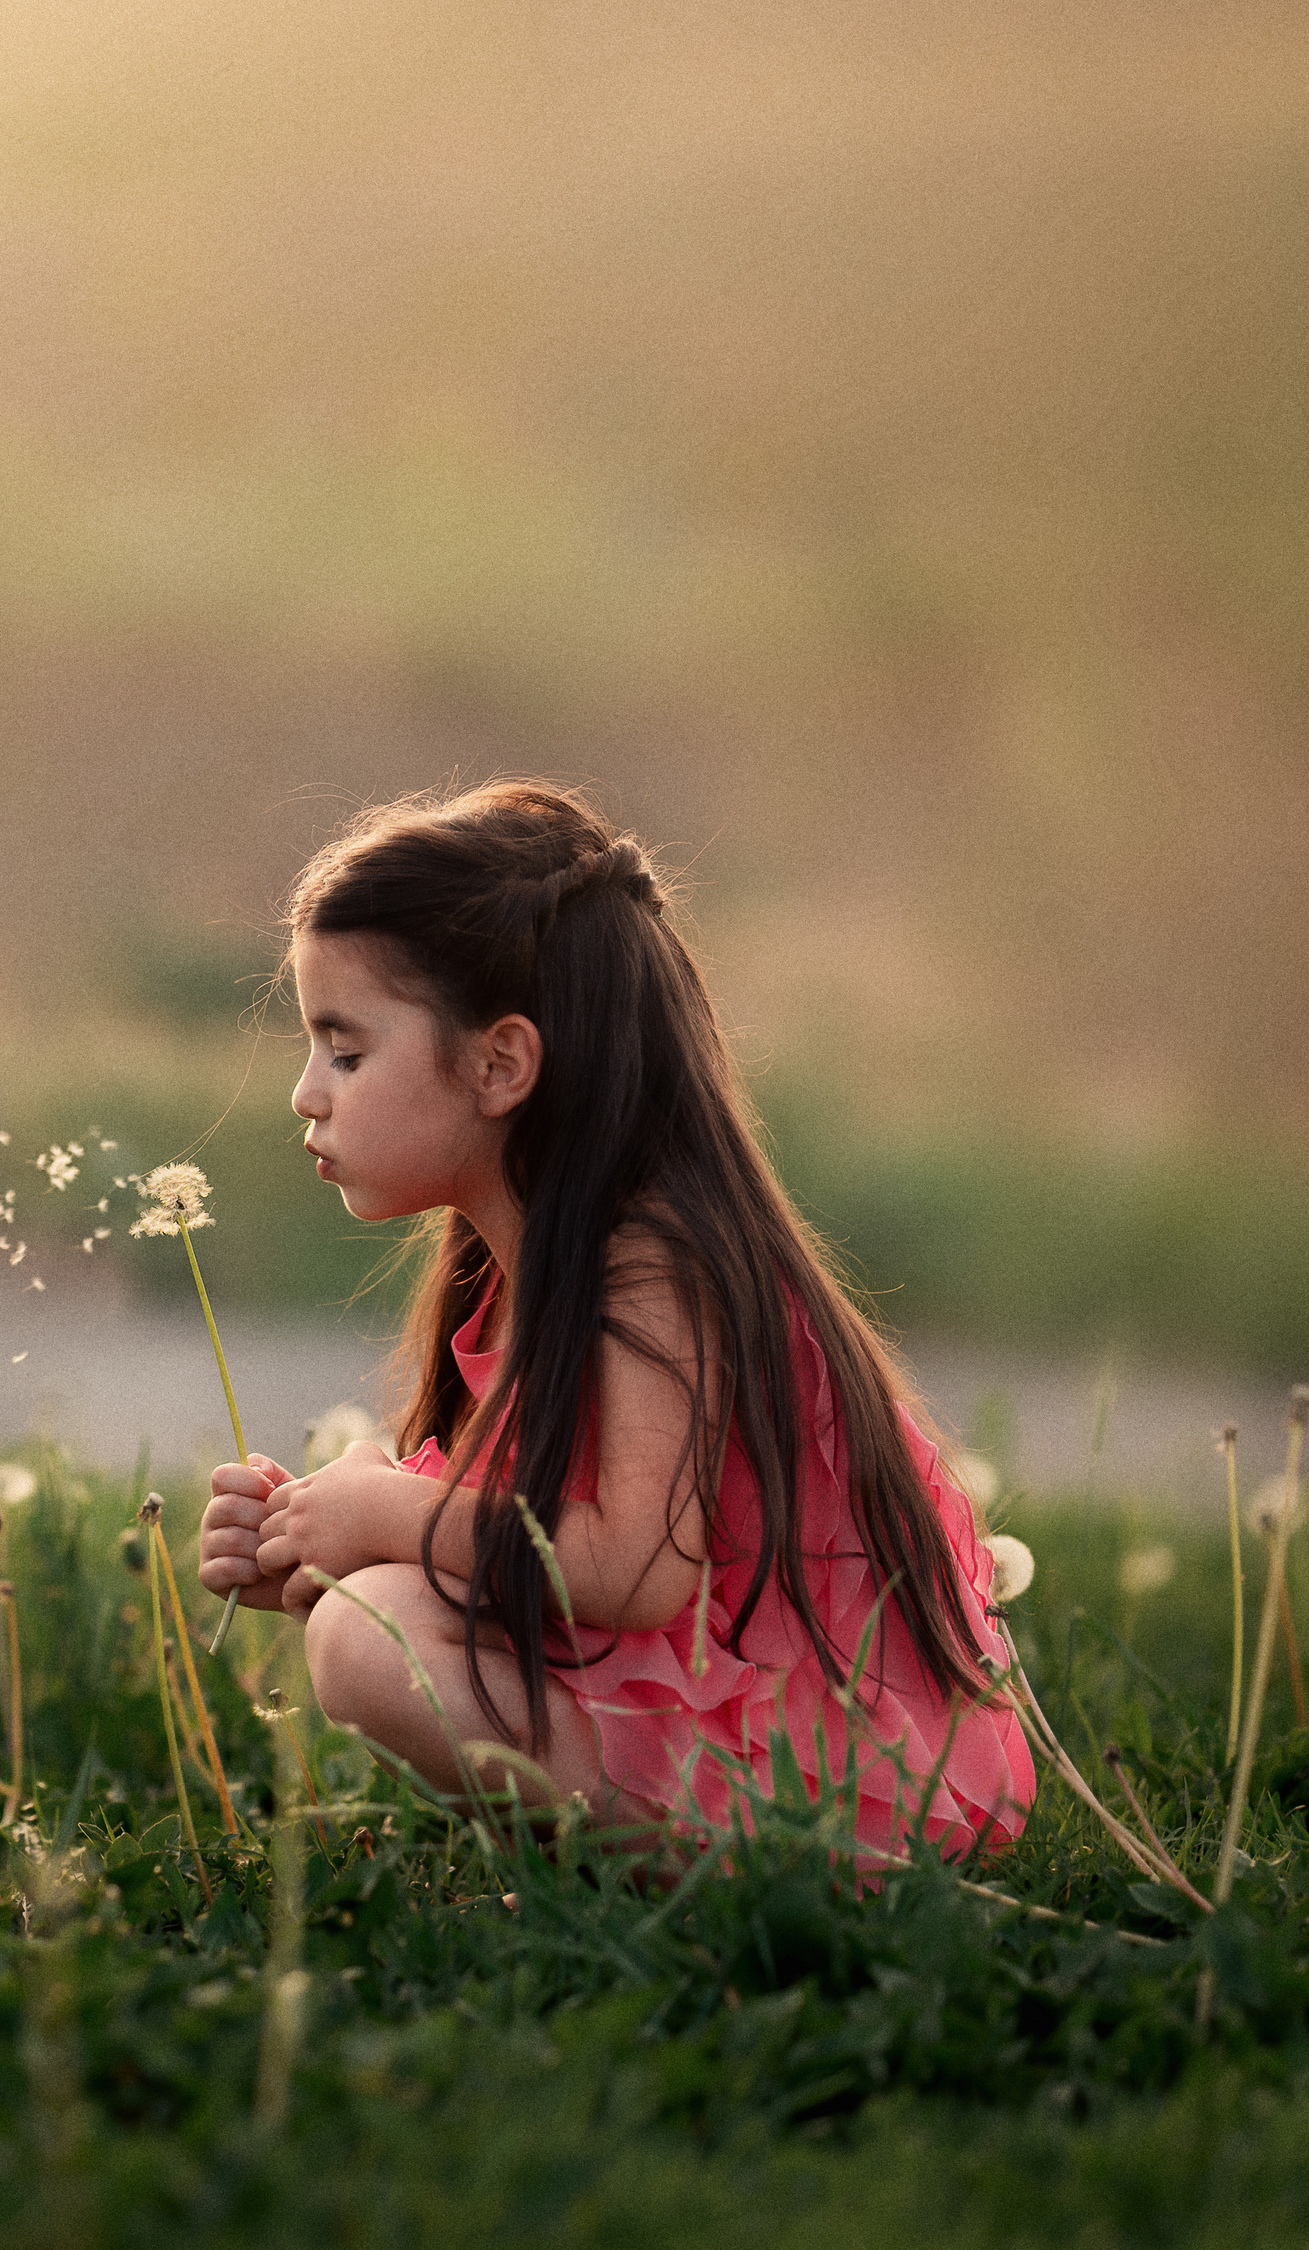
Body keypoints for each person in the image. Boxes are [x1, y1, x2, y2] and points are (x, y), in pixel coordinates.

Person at [196, 781, 1032, 1859]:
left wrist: (386, 1514)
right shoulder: (517, 1266)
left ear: (500, 1064)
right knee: (367, 1613)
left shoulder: (649, 1267)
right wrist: (316, 1548)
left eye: (345, 1052)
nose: (307, 1093)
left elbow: (636, 1571)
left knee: (368, 1642)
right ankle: (618, 1864)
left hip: (821, 1784)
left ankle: (710, 1872)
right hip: (714, 1716)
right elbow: (519, 1553)